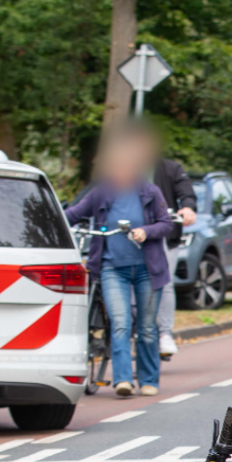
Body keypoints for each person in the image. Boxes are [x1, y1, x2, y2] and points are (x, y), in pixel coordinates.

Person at [63, 127, 177, 397]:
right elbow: (74, 214)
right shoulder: (101, 193)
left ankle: (150, 380)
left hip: (148, 271)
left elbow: (166, 224)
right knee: (121, 323)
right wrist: (50, 217)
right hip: (113, 268)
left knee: (147, 329)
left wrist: (146, 231)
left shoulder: (150, 192)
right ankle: (123, 380)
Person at [151, 141, 200, 363]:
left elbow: (186, 193)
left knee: (165, 281)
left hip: (164, 236)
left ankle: (164, 333)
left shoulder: (170, 169)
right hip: (131, 238)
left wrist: (187, 208)